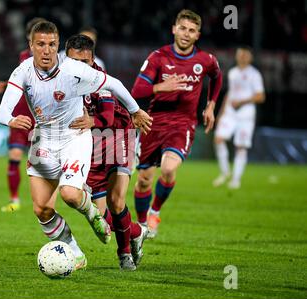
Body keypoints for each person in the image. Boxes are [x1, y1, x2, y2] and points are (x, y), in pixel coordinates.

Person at [0, 21, 152, 270]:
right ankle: (79, 252)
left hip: (105, 136)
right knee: (42, 209)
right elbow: (2, 111)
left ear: (58, 47)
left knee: (110, 201)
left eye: (51, 45)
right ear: (31, 46)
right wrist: (12, 119)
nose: (46, 51)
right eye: (41, 44)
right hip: (47, 139)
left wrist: (135, 111)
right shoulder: (23, 71)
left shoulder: (79, 71)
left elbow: (112, 101)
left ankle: (124, 253)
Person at [131, 9, 223, 239]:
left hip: (183, 124)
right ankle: (142, 224)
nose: (186, 34)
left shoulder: (205, 60)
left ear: (197, 35)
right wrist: (160, 87)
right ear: (174, 29)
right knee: (143, 181)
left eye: (191, 30)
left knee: (169, 168)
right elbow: (137, 90)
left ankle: (155, 211)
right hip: (153, 123)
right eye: (182, 28)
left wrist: (211, 105)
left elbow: (217, 75)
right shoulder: (158, 57)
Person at [66, 34, 148, 271]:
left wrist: (91, 119)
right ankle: (136, 232)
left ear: (93, 60)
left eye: (85, 62)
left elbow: (108, 117)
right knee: (102, 217)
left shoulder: (98, 79)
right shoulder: (63, 78)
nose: (80, 67)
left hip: (118, 136)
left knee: (116, 200)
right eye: (74, 61)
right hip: (92, 145)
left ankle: (124, 255)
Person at [0, 17, 47, 213]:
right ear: (29, 38)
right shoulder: (24, 56)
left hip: (40, 117)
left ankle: (45, 200)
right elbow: (23, 81)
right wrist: (7, 84)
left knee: (43, 162)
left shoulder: (53, 60)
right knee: (15, 155)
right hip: (20, 114)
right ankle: (14, 199)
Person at [213, 46, 265, 189]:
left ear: (250, 57)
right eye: (240, 54)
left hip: (245, 115)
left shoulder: (255, 74)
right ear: (236, 56)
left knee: (240, 147)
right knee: (218, 139)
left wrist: (242, 102)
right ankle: (225, 173)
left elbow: (261, 96)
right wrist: (221, 113)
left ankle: (236, 179)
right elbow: (230, 93)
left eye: (245, 54)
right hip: (230, 113)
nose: (242, 56)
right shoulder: (232, 73)